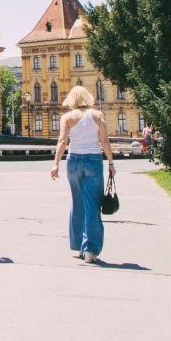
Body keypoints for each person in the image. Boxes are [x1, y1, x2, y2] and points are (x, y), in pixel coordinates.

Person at [50, 84, 116, 263]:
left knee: (77, 202)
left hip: (73, 161)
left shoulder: (67, 117)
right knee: (92, 205)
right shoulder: (97, 115)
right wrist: (110, 163)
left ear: (72, 100)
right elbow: (104, 141)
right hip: (93, 161)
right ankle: (90, 250)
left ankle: (79, 246)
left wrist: (55, 164)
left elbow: (62, 141)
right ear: (87, 98)